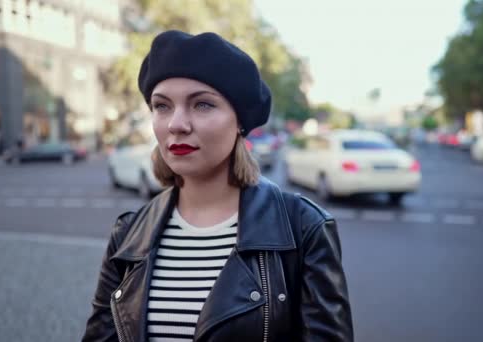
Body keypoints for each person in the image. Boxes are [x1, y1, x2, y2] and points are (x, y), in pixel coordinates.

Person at [82, 30, 353, 342]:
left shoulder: (304, 228)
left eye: (202, 105)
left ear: (239, 121)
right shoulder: (128, 235)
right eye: (162, 105)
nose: (176, 124)